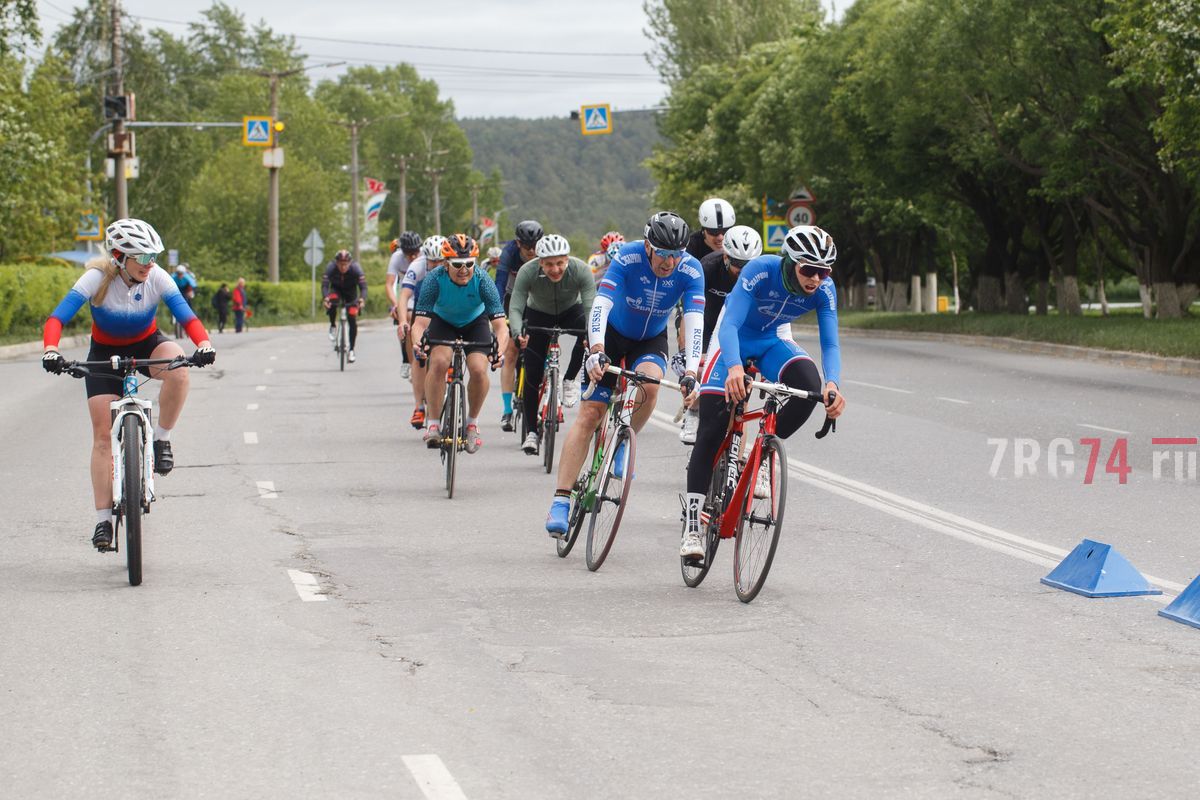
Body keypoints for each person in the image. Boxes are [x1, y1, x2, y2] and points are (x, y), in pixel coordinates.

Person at [40, 218, 216, 551]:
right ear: (120, 256)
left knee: (179, 369)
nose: (150, 264)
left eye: (153, 257)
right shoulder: (96, 278)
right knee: (103, 436)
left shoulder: (157, 277)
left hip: (146, 344)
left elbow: (186, 316)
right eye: (143, 257)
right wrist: (51, 349)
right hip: (104, 354)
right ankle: (103, 520)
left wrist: (203, 344)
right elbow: (57, 318)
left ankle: (162, 440)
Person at [679, 225, 847, 558]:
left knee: (810, 388)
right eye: (809, 269)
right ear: (791, 261)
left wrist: (833, 384)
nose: (816, 278)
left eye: (823, 270)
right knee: (711, 429)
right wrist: (734, 368)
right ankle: (694, 525)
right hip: (734, 339)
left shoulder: (824, 288)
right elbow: (728, 325)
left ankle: (763, 454)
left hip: (772, 340)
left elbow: (830, 342)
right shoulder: (760, 270)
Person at [544, 211, 704, 536]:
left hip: (650, 339)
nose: (670, 263)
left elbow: (695, 320)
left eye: (676, 256)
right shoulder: (629, 257)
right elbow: (601, 303)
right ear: (648, 246)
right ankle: (561, 499)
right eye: (663, 254)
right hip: (612, 336)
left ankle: (623, 443)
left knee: (649, 385)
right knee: (590, 414)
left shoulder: (691, 269)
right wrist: (597, 348)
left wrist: (691, 369)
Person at [409, 234, 509, 453]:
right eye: (457, 264)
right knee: (438, 362)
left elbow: (501, 327)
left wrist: (499, 351)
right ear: (446, 264)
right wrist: (418, 343)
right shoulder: (434, 279)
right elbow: (418, 325)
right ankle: (434, 424)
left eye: (469, 264)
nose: (464, 269)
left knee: (478, 369)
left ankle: (471, 423)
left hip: (475, 322)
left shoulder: (483, 280)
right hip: (443, 321)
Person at [507, 233, 596, 455]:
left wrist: (592, 335)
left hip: (570, 311)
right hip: (538, 314)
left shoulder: (581, 270)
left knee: (588, 335)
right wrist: (518, 333)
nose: (555, 269)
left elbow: (590, 308)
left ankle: (568, 379)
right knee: (532, 374)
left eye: (559, 263)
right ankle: (532, 433)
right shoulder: (527, 271)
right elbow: (517, 307)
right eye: (548, 265)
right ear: (540, 263)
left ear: (567, 259)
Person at [678, 224, 763, 444]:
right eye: (737, 264)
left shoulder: (762, 276)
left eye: (749, 265)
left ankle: (736, 459)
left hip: (739, 333)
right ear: (726, 257)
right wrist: (688, 353)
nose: (743, 271)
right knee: (697, 372)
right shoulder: (707, 267)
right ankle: (693, 411)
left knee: (740, 405)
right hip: (707, 327)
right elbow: (690, 314)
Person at [493, 220, 544, 431]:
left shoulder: (544, 252)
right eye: (527, 247)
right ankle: (507, 411)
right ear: (517, 243)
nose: (532, 251)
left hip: (537, 300)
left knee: (541, 350)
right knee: (511, 352)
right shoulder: (509, 253)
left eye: (535, 246)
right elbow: (499, 284)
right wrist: (496, 314)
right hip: (512, 299)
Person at [398, 235, 448, 429]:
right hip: (423, 308)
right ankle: (419, 406)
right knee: (419, 356)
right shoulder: (417, 266)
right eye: (432, 261)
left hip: (445, 309)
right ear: (424, 257)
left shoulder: (454, 266)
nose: (435, 265)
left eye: (439, 261)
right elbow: (404, 297)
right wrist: (403, 321)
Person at [386, 231, 422, 379]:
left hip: (424, 292)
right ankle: (408, 360)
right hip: (407, 294)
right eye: (409, 254)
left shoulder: (425, 255)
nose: (413, 257)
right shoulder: (397, 258)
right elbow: (390, 284)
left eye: (416, 253)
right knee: (406, 321)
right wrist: (396, 304)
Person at [322, 249, 368, 363]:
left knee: (352, 319)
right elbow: (325, 285)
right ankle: (333, 325)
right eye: (340, 264)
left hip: (350, 293)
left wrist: (361, 299)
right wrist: (325, 298)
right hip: (336, 290)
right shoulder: (331, 268)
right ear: (336, 263)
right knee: (332, 302)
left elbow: (363, 287)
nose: (343, 267)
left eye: (345, 264)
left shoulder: (356, 269)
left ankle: (351, 350)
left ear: (349, 263)